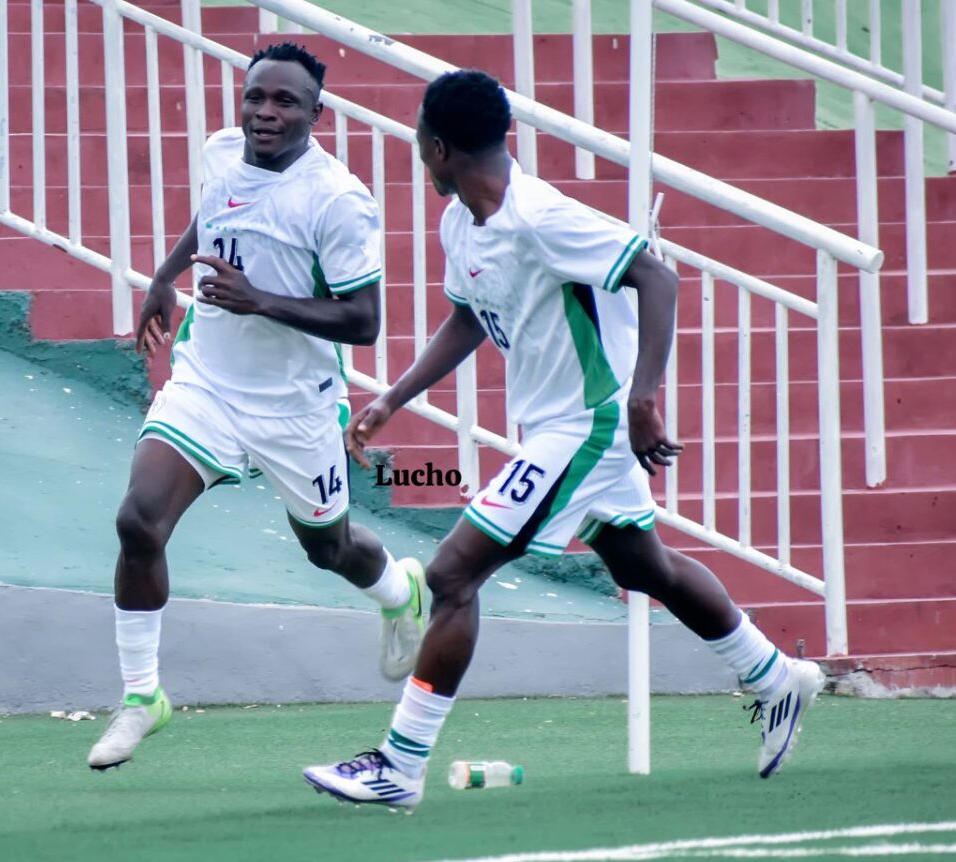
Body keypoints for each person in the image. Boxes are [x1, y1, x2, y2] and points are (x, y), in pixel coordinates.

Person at [301, 70, 824, 810]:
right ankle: (776, 677)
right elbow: (470, 317)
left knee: (452, 576)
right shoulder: (461, 223)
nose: (419, 153)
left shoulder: (542, 217)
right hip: (557, 427)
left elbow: (657, 277)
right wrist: (393, 397)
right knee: (644, 564)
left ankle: (400, 763)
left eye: (420, 141)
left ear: (440, 148)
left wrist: (644, 397)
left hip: (588, 425)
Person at [87, 43, 426, 771]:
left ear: (316, 115)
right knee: (138, 520)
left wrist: (259, 300)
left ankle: (402, 591)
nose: (265, 113)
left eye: (285, 103)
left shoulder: (336, 200)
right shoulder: (221, 152)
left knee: (328, 548)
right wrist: (166, 276)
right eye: (255, 98)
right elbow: (215, 214)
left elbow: (364, 320)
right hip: (206, 382)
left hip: (296, 408)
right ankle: (142, 696)